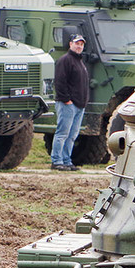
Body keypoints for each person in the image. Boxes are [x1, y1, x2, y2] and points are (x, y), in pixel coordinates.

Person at [51, 33, 90, 171]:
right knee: (62, 133)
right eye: (77, 43)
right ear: (70, 44)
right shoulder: (65, 60)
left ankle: (67, 161)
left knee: (72, 135)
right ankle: (56, 161)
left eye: (81, 44)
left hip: (79, 105)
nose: (79, 46)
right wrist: (66, 100)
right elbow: (60, 82)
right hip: (68, 104)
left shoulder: (80, 62)